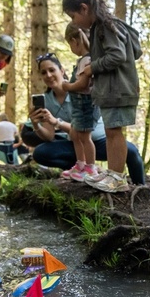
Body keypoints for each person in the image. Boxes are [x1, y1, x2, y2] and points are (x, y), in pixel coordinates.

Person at [61, 0, 143, 194]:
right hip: (112, 90)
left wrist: (91, 69)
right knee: (111, 130)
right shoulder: (101, 26)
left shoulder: (106, 26)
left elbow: (118, 55)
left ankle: (117, 177)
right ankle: (112, 173)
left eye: (73, 16)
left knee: (115, 133)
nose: (74, 22)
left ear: (83, 8)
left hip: (118, 89)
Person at [24, 53, 146, 185]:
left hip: (100, 142)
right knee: (41, 152)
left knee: (131, 151)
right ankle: (80, 170)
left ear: (62, 71)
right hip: (76, 145)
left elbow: (82, 125)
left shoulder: (79, 89)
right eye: (43, 72)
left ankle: (140, 186)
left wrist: (56, 122)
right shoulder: (46, 100)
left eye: (52, 70)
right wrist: (36, 125)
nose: (48, 75)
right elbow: (49, 136)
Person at [58, 23, 101, 182]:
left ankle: (91, 168)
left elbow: (82, 84)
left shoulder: (87, 60)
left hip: (85, 105)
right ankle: (80, 164)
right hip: (78, 106)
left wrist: (67, 86)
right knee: (75, 134)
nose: (71, 48)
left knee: (84, 136)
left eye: (70, 44)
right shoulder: (82, 60)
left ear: (75, 41)